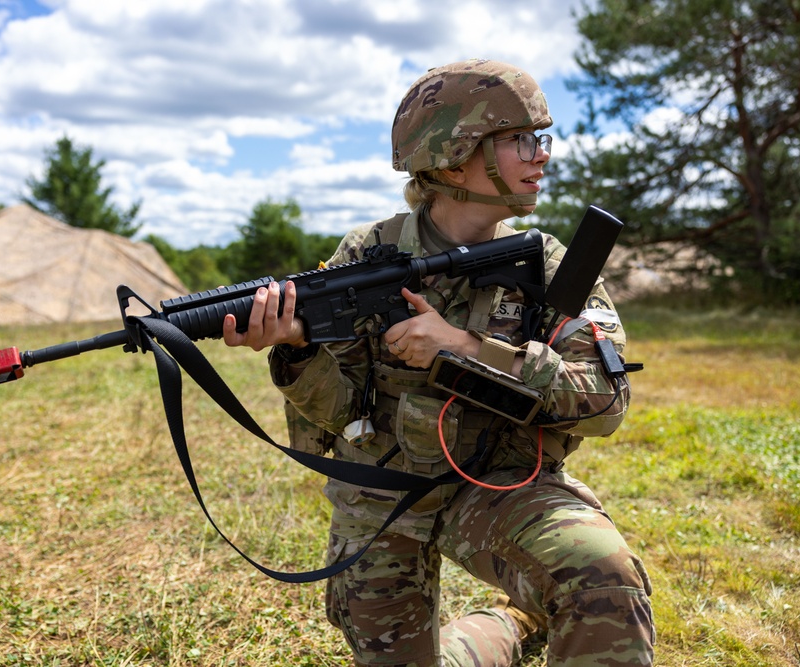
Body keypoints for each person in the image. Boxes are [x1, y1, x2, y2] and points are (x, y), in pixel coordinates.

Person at [222, 58, 655, 666]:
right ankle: (508, 627)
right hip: (385, 491)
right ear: (454, 158)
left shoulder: (553, 267)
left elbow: (605, 403)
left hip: (499, 484)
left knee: (603, 579)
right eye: (520, 141)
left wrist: (464, 348)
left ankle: (528, 612)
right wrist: (298, 348)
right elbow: (345, 409)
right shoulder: (368, 255)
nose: (542, 156)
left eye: (541, 139)